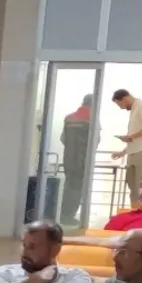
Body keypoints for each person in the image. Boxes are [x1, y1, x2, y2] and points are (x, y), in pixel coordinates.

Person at [112, 89, 142, 204]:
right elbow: (135, 138)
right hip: (135, 151)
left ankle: (140, 210)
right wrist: (123, 152)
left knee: (139, 185)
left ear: (125, 99)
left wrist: (131, 136)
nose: (121, 108)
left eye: (120, 104)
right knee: (133, 185)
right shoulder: (135, 110)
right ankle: (135, 209)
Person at [60, 95, 93, 226]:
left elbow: (63, 139)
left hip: (68, 159)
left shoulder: (69, 118)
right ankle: (68, 216)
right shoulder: (91, 119)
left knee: (69, 186)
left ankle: (64, 214)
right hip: (82, 160)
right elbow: (95, 141)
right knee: (77, 189)